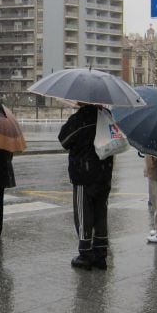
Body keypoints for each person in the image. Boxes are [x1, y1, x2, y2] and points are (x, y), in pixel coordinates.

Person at [58, 103, 113, 270]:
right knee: (101, 213)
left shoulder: (81, 118)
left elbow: (64, 140)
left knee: (84, 214)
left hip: (85, 173)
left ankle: (85, 253)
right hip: (104, 172)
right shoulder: (107, 116)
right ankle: (100, 252)